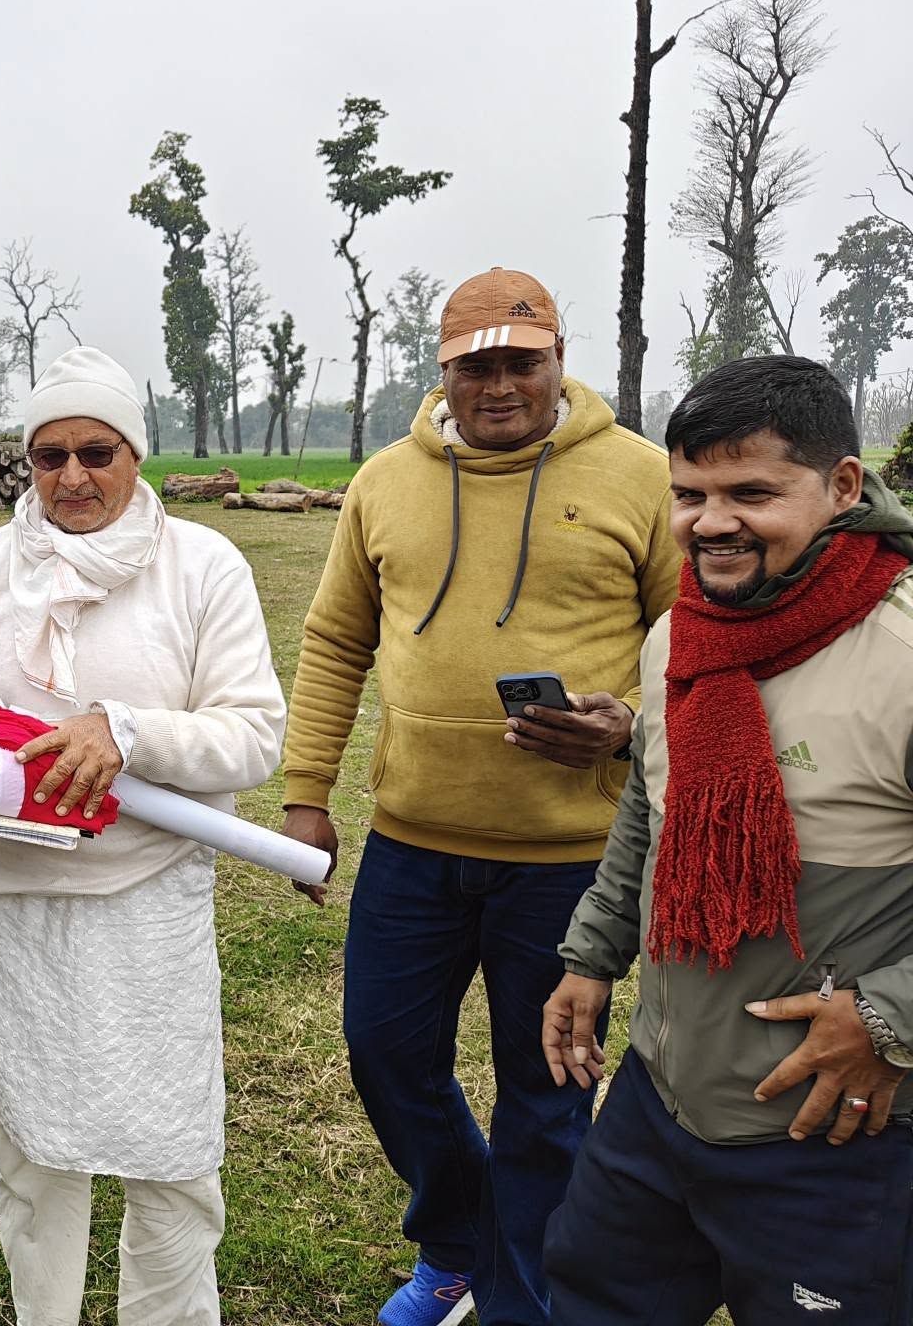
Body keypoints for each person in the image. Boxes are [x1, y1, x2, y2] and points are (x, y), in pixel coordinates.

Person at [279, 268, 677, 1326]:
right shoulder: (381, 482)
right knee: (384, 1052)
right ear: (442, 369)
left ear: (558, 359)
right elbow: (332, 642)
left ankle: (518, 1300)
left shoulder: (640, 478)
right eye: (474, 365)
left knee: (544, 1098)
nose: (497, 384)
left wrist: (628, 725)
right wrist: (305, 791)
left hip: (567, 859)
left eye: (519, 362)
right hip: (411, 844)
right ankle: (455, 1245)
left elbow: (691, 649)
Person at [0, 346, 287, 1326]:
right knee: (29, 1152)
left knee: (167, 1153)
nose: (71, 477)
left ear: (134, 453)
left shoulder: (201, 566)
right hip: (7, 903)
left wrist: (122, 732)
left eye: (95, 452)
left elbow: (251, 734)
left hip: (144, 897)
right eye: (47, 457)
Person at [544, 355, 913, 1323]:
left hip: (829, 1139)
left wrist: (887, 1021)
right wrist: (591, 953)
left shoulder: (899, 650)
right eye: (688, 494)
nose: (709, 522)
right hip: (657, 1103)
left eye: (750, 492)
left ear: (840, 486)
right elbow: (647, 809)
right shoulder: (683, 633)